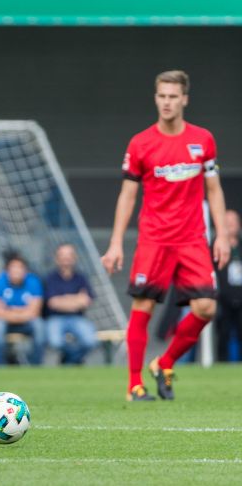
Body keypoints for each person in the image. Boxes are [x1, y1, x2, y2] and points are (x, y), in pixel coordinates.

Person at [101, 70, 229, 401]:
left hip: (192, 239)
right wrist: (116, 243)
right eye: (162, 96)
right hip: (154, 239)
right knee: (143, 307)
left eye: (173, 96)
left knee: (205, 308)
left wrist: (223, 234)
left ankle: (164, 362)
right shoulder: (141, 143)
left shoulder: (203, 140)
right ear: (155, 98)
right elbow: (127, 195)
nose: (167, 102)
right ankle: (134, 384)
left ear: (184, 98)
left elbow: (213, 190)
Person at [0, 253, 45, 365]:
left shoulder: (34, 282)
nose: (17, 271)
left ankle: (36, 364)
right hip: (6, 323)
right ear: (7, 270)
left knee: (39, 325)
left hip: (25, 323)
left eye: (20, 268)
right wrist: (21, 311)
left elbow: (34, 312)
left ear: (25, 271)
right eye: (14, 268)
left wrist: (8, 310)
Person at [44, 243, 97, 365]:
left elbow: (86, 301)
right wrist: (76, 299)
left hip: (77, 318)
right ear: (57, 258)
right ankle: (74, 359)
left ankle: (69, 360)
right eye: (62, 255)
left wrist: (63, 300)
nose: (66, 258)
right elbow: (53, 303)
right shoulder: (50, 278)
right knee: (55, 342)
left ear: (74, 257)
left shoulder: (81, 278)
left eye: (69, 255)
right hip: (55, 318)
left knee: (90, 341)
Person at [216, 210, 242, 361]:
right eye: (227, 222)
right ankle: (222, 363)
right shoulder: (214, 246)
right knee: (223, 333)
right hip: (223, 299)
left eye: (233, 222)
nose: (230, 225)